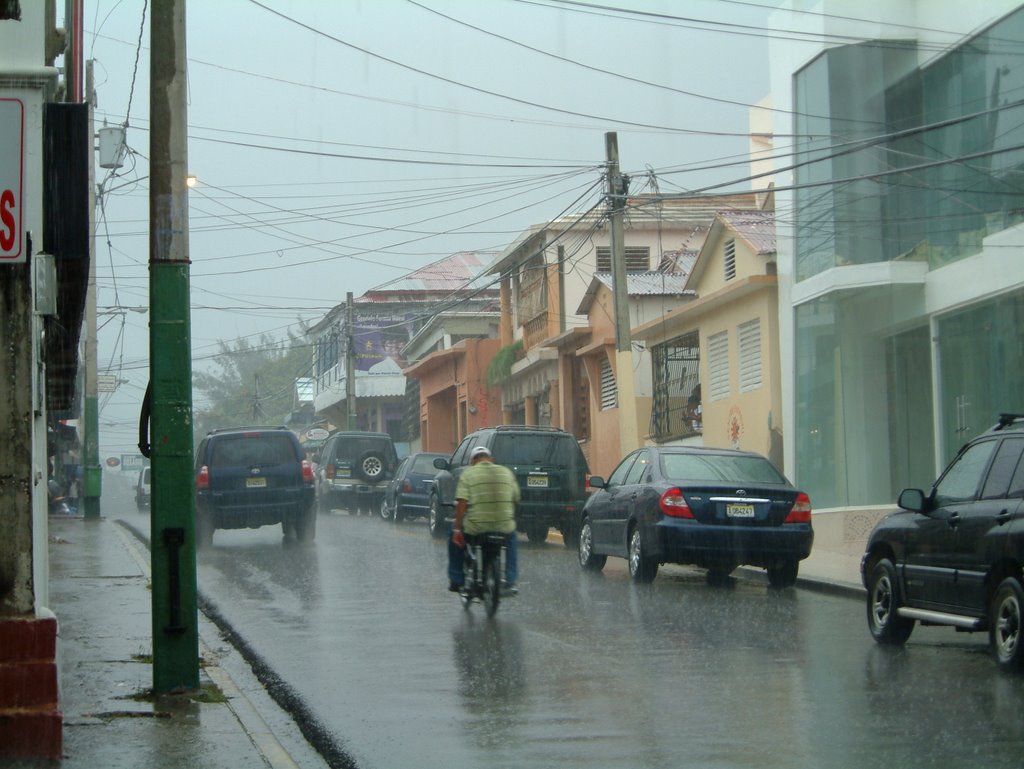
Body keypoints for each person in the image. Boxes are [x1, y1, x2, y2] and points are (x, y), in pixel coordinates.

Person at [448, 446, 520, 595]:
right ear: (491, 459)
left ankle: (457, 579)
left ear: (473, 461)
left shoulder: (468, 474)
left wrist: (457, 529)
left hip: (476, 528)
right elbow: (515, 499)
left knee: (453, 536)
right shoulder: (506, 472)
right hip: (504, 526)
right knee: (512, 538)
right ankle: (511, 580)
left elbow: (462, 502)